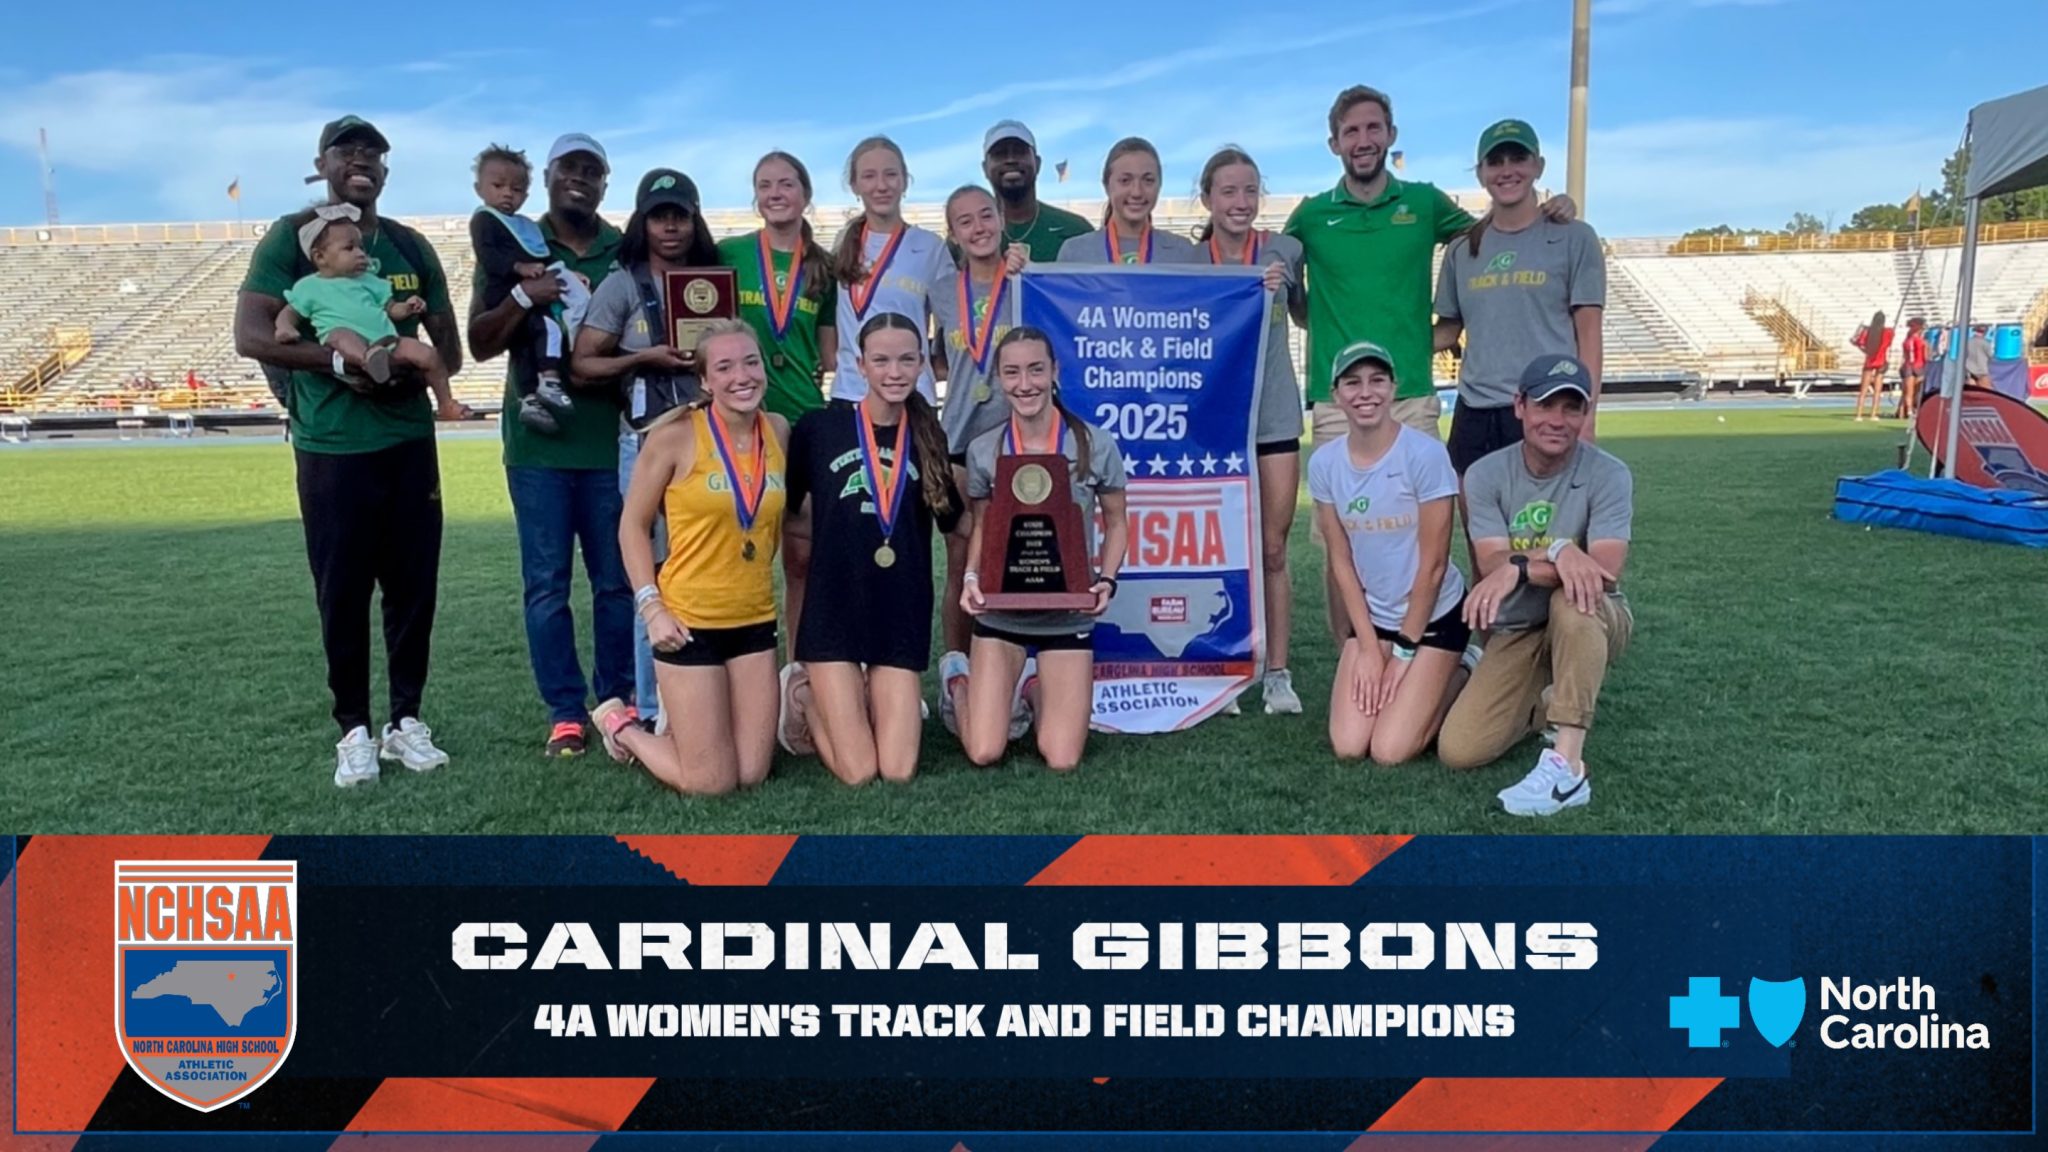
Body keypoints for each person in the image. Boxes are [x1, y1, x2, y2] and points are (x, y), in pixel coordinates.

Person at [233, 114, 461, 786]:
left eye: (373, 153)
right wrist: (337, 366)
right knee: (342, 591)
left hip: (408, 441)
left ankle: (406, 721)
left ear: (386, 171)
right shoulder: (293, 236)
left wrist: (412, 368)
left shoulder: (409, 246)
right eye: (346, 150)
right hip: (332, 445)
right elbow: (253, 334)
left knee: (413, 589)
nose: (361, 160)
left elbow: (448, 350)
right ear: (322, 165)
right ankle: (353, 729)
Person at [1286, 87, 1577, 448]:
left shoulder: (1424, 202)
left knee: (1426, 488)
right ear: (1334, 144)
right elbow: (1279, 277)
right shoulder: (1310, 215)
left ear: (1391, 134)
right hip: (1337, 399)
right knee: (1338, 489)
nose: (1364, 140)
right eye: (1351, 131)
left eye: (1374, 128)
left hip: (1411, 397)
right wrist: (1305, 312)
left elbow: (1496, 234)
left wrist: (1549, 210)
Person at [467, 133, 632, 758]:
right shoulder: (514, 239)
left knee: (617, 584)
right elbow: (481, 341)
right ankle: (565, 711)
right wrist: (521, 296)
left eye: (592, 171)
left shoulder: (624, 247)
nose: (579, 180)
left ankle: (617, 699)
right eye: (569, 169)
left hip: (614, 442)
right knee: (547, 586)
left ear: (604, 182)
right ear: (550, 177)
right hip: (538, 449)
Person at [593, 320, 788, 794]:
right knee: (711, 782)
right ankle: (621, 725)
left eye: (751, 362)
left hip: (754, 618)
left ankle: (688, 729)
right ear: (704, 380)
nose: (741, 376)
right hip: (688, 622)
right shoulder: (675, 436)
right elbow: (632, 526)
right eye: (724, 367)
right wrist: (651, 607)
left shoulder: (779, 431)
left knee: (751, 773)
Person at [1438, 354, 1633, 817]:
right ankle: (1545, 703)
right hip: (1522, 625)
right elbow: (1492, 560)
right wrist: (1561, 552)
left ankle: (1568, 767)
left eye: (1571, 408)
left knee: (1574, 598)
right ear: (1519, 406)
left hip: (1597, 615)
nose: (1557, 420)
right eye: (1545, 405)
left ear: (1585, 413)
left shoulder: (1609, 473)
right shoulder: (1486, 474)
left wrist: (1524, 567)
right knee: (1460, 750)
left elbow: (1603, 573)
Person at [780, 312, 963, 785]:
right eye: (881, 361)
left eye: (906, 360)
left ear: (922, 364)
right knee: (859, 772)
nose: (894, 372)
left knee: (898, 771)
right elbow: (790, 514)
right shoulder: (818, 430)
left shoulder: (929, 435)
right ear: (859, 365)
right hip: (834, 611)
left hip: (898, 610)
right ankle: (805, 697)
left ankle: (854, 699)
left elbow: (955, 521)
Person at [571, 167, 721, 730]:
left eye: (680, 216)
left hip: (709, 441)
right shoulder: (622, 285)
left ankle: (705, 694)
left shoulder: (714, 282)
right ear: (642, 223)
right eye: (660, 217)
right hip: (647, 439)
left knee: (705, 566)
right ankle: (655, 706)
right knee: (651, 573)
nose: (671, 227)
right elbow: (583, 363)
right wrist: (643, 358)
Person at [948, 327, 1128, 770]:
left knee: (1061, 758)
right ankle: (957, 681)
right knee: (985, 750)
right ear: (999, 377)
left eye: (1035, 370)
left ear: (1054, 371)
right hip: (1001, 613)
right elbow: (983, 524)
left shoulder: (1095, 444)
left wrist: (1106, 581)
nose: (1024, 384)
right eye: (1012, 372)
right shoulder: (984, 450)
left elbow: (1118, 521)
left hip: (1066, 613)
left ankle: (1032, 687)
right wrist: (971, 577)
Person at [1308, 340, 1469, 764]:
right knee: (1349, 746)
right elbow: (1341, 561)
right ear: (1336, 394)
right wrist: (1366, 647)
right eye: (1352, 383)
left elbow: (1433, 566)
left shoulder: (1425, 454)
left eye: (1377, 380)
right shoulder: (1324, 464)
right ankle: (1404, 676)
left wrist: (1402, 654)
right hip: (1375, 619)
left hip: (1433, 617)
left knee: (1389, 750)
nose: (1366, 393)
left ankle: (1462, 670)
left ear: (1393, 388)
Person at [1194, 146, 1308, 714]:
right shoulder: (1190, 262)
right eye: (1228, 191)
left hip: (1275, 416)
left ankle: (1277, 672)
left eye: (1249, 190)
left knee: (1272, 547)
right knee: (1221, 549)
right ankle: (1226, 666)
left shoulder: (1286, 250)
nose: (1240, 202)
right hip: (1216, 418)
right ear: (1207, 199)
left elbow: (1307, 312)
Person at [1434, 120, 1605, 475]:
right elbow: (1448, 332)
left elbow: (1589, 333)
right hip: (1476, 411)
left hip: (1547, 406)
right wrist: (1388, 345)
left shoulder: (1575, 238)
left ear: (1538, 166)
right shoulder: (1462, 250)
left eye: (1518, 158)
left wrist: (1587, 416)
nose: (1507, 170)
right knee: (1475, 512)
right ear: (1480, 173)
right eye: (1496, 162)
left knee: (1547, 513)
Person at [719, 151, 837, 656]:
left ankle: (798, 665)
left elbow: (829, 352)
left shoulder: (823, 266)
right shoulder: (729, 253)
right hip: (741, 419)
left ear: (805, 193)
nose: (775, 194)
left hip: (805, 417)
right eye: (765, 185)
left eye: (786, 183)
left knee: (802, 556)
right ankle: (731, 659)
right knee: (736, 551)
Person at [932, 184, 1021, 663]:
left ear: (1001, 219)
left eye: (986, 215)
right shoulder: (942, 292)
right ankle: (956, 667)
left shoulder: (1027, 280)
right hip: (959, 441)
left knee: (1017, 559)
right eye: (964, 221)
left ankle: (1009, 667)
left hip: (1016, 442)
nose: (978, 227)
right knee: (960, 560)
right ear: (953, 234)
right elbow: (939, 360)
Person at [274, 205, 465, 424]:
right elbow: (290, 312)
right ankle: (368, 361)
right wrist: (285, 328)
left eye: (361, 247)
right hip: (351, 342)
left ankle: (446, 403)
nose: (360, 253)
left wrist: (407, 307)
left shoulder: (370, 281)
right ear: (320, 257)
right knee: (341, 336)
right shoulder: (309, 287)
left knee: (428, 354)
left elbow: (391, 309)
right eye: (349, 248)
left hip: (388, 340)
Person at [828, 136, 955, 404]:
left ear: (904, 181)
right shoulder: (842, 244)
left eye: (890, 175)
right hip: (851, 392)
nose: (881, 186)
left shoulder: (930, 247)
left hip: (911, 394)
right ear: (854, 185)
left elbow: (952, 322)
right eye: (869, 176)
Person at [1056, 138, 1199, 265]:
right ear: (1106, 186)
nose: (1137, 192)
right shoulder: (1075, 253)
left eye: (1148, 180)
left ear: (1159, 185)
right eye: (1125, 180)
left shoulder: (1183, 252)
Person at [982, 120, 1094, 262]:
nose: (1010, 160)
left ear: (1038, 163)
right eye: (1000, 154)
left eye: (1020, 152)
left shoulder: (1076, 230)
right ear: (985, 168)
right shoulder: (969, 237)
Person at [1853, 309, 1892, 421]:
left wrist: (1865, 350)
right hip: (1881, 361)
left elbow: (1859, 342)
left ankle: (1859, 415)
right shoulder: (1888, 332)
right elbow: (1888, 344)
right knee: (1877, 391)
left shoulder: (1868, 332)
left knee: (1863, 390)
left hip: (1869, 361)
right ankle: (1873, 414)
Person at [1896, 316, 1928, 420]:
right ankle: (1913, 410)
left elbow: (1905, 355)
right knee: (1916, 391)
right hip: (1919, 366)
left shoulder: (1907, 340)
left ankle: (1908, 411)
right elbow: (1925, 357)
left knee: (1908, 392)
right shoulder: (1921, 341)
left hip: (1908, 365)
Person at [1965, 325, 1993, 389]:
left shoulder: (1967, 342)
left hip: (1970, 371)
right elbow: (1990, 356)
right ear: (1985, 332)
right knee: (1985, 392)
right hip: (1982, 372)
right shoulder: (1986, 343)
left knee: (1971, 391)